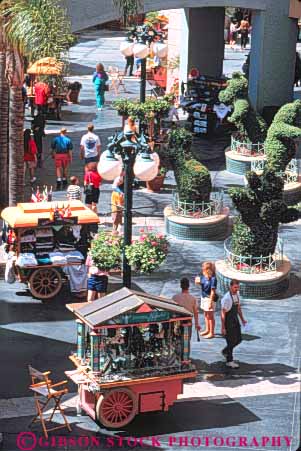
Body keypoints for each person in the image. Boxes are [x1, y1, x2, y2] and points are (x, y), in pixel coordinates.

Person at [221, 279, 247, 369]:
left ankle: (225, 351)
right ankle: (229, 360)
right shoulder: (227, 298)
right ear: (231, 287)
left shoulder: (237, 295)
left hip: (235, 320)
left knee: (239, 339)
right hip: (228, 321)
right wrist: (223, 327)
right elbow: (223, 313)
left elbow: (238, 308)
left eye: (238, 287)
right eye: (235, 287)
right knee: (231, 340)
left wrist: (242, 319)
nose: (237, 289)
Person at [195, 261, 217, 339]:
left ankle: (212, 333)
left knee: (210, 316)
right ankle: (207, 330)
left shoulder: (213, 279)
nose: (202, 269)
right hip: (204, 297)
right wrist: (198, 283)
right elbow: (203, 284)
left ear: (208, 269)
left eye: (204, 268)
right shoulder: (204, 276)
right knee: (205, 314)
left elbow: (212, 291)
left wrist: (211, 302)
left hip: (209, 298)